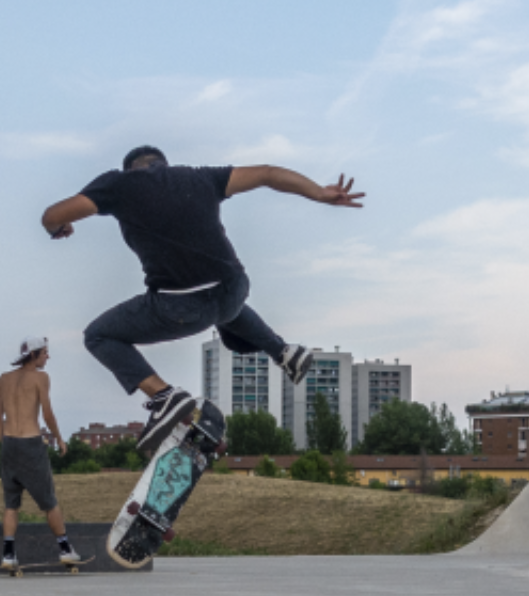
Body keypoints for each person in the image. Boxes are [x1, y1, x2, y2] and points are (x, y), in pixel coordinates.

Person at [41, 146, 365, 452]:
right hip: (233, 290)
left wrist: (59, 227)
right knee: (222, 304)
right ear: (163, 164)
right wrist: (321, 194)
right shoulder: (201, 177)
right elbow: (267, 173)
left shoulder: (119, 184)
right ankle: (281, 351)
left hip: (178, 306)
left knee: (97, 335)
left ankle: (163, 396)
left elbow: (50, 215)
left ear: (131, 170)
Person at [0, 336, 79, 569]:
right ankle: (65, 549)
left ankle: (8, 555)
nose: (47, 357)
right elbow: (48, 414)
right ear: (33, 355)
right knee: (49, 502)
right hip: (31, 443)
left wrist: (5, 443)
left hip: (9, 444)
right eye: (44, 353)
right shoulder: (41, 378)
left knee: (11, 504)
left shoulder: (3, 379)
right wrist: (59, 439)